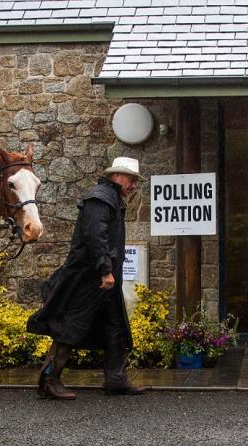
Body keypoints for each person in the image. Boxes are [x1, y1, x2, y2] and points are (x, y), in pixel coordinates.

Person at [27, 157, 147, 400]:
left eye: (135, 180)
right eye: (131, 179)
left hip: (103, 279)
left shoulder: (109, 198)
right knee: (69, 329)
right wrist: (105, 270)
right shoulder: (100, 198)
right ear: (117, 177)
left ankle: (115, 380)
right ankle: (49, 381)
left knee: (114, 327)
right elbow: (95, 237)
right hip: (88, 278)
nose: (133, 185)